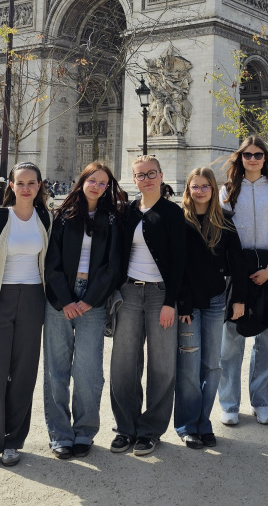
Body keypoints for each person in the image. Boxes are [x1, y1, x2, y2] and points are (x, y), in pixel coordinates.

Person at [0, 162, 52, 470]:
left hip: (33, 300)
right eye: (20, 183)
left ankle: (14, 440)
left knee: (25, 374)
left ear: (40, 186)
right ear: (12, 186)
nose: (26, 188)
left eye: (32, 183)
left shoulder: (46, 218)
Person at [42, 162, 125, 460]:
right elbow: (50, 261)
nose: (97, 187)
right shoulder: (62, 215)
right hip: (60, 299)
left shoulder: (113, 219)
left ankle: (84, 432)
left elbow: (113, 265)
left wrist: (89, 300)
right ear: (82, 180)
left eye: (103, 183)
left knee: (88, 370)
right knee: (56, 369)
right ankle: (60, 434)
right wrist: (66, 300)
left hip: (93, 299)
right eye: (93, 180)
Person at [109, 155, 186, 457]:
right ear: (134, 179)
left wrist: (170, 302)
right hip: (129, 293)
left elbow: (180, 262)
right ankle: (125, 427)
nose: (147, 179)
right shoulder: (127, 211)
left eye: (152, 173)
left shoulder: (173, 212)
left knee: (162, 365)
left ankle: (150, 430)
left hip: (160, 296)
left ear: (162, 175)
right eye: (140, 175)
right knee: (123, 363)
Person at [217, 135, 268, 426]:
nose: (252, 159)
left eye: (258, 154)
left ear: (265, 159)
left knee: (266, 341)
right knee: (231, 340)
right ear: (240, 158)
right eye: (247, 154)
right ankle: (229, 403)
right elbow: (222, 233)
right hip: (236, 271)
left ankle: (261, 401)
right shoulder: (226, 191)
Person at [174, 168, 247, 449]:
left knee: (212, 365)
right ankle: (187, 425)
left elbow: (238, 263)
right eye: (195, 186)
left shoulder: (225, 220)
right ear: (188, 189)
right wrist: (182, 303)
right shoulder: (179, 220)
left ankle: (203, 423)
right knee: (189, 367)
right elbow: (176, 266)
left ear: (213, 189)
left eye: (206, 186)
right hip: (188, 304)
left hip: (216, 301)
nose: (200, 191)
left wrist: (238, 299)